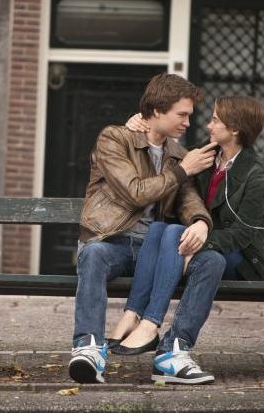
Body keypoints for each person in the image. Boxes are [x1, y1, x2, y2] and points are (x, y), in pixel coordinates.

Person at [69, 73, 225, 386]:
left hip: (154, 250)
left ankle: (173, 352)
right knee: (94, 254)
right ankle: (88, 347)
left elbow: (189, 200)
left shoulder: (179, 155)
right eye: (181, 114)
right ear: (155, 111)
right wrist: (183, 170)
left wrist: (199, 221)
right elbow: (135, 192)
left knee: (212, 262)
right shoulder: (115, 139)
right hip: (113, 242)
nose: (187, 122)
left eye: (189, 115)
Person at [110, 95, 264, 381]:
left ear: (234, 129)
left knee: (206, 256)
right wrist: (138, 125)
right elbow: (168, 170)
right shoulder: (206, 157)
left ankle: (151, 325)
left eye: (215, 120)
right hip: (200, 247)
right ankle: (152, 330)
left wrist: (201, 240)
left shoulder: (255, 173)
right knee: (164, 229)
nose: (208, 125)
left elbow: (244, 234)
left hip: (241, 256)